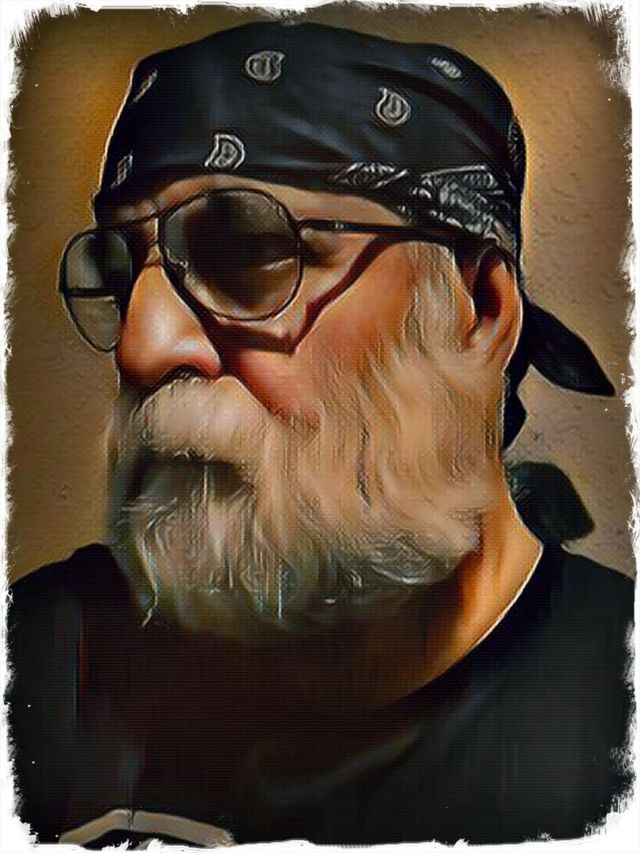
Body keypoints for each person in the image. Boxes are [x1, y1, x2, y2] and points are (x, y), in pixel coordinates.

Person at [7, 21, 634, 848]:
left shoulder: (617, 697)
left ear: (480, 311)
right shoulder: (48, 660)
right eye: (124, 274)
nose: (143, 344)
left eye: (251, 248)